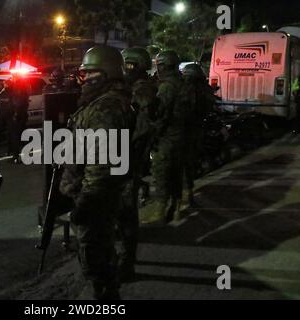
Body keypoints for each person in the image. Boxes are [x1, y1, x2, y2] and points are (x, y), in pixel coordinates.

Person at [58, 45, 133, 300]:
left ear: (104, 74)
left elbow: (101, 165)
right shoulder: (103, 103)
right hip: (99, 194)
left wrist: (86, 203)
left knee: (95, 260)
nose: (83, 80)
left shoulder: (105, 108)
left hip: (97, 199)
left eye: (88, 73)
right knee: (101, 254)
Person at [118, 46, 158, 281]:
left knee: (125, 213)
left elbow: (142, 127)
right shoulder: (135, 88)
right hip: (127, 156)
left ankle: (126, 263)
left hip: (129, 157)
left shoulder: (140, 89)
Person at [140, 50, 191, 226]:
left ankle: (159, 211)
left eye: (159, 65)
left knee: (161, 172)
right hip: (183, 134)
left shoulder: (167, 86)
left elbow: (162, 114)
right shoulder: (183, 83)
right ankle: (176, 208)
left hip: (168, 136)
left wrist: (153, 134)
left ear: (164, 66)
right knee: (177, 173)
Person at [180, 63, 216, 210]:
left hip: (186, 131)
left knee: (183, 164)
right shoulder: (205, 89)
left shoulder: (189, 90)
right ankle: (187, 193)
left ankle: (184, 194)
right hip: (198, 129)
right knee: (189, 163)